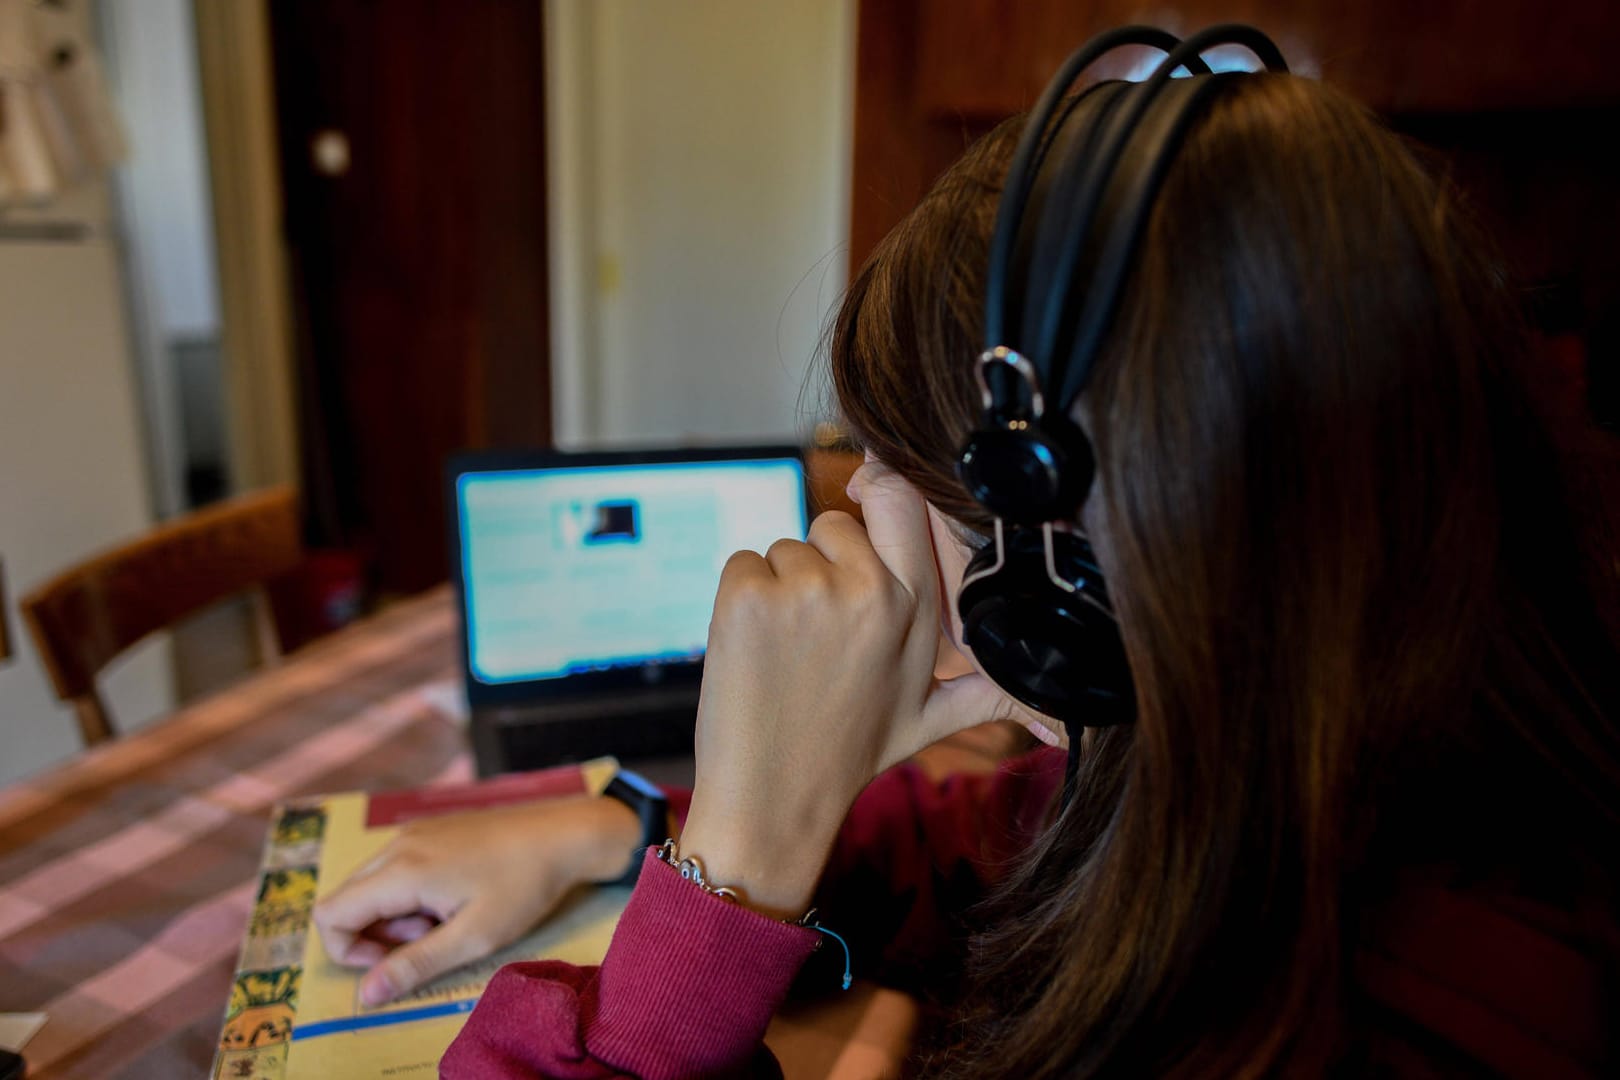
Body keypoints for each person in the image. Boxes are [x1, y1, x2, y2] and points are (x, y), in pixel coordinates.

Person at [313, 29, 1620, 1079]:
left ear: (1088, 570)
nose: (860, 506)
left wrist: (738, 868)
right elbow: (978, 841)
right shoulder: (1231, 766)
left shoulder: (1409, 1021)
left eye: (906, 465)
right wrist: (630, 830)